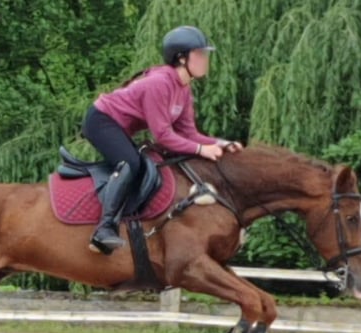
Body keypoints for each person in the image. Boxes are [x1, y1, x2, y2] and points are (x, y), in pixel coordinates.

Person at [81, 25, 244, 255]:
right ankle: (104, 230)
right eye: (200, 54)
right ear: (181, 58)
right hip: (101, 121)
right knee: (131, 164)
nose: (206, 60)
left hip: (119, 126)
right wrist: (201, 149)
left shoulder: (184, 89)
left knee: (145, 164)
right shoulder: (159, 84)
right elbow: (163, 136)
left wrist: (219, 143)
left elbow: (189, 133)